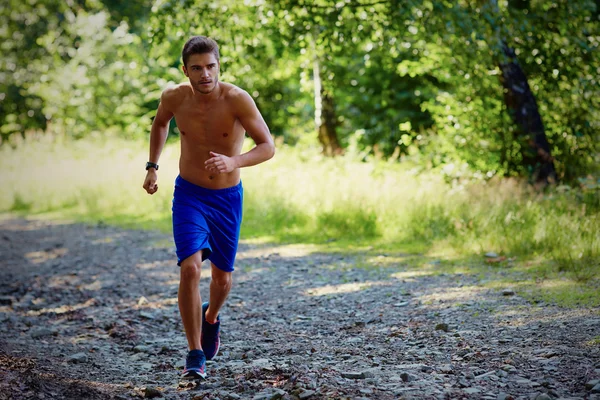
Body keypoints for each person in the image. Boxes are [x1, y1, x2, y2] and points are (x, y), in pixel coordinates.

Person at [142, 36, 275, 379]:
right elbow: (160, 124)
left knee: (222, 279)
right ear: (185, 70)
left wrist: (234, 161)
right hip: (188, 194)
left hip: (226, 199)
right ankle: (194, 352)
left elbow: (267, 146)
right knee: (189, 269)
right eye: (197, 68)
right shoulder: (173, 96)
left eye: (211, 66)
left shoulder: (237, 99)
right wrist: (152, 167)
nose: (205, 74)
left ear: (219, 65)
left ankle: (211, 317)